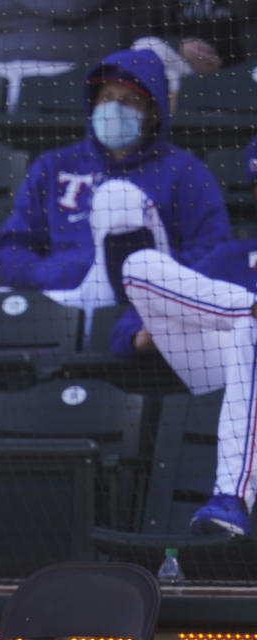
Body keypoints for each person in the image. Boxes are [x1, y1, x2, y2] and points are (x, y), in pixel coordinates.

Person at [0, 48, 233, 349]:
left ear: (153, 111)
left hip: (141, 308)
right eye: (107, 97)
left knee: (118, 198)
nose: (115, 107)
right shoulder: (54, 165)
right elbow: (11, 249)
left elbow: (212, 252)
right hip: (61, 297)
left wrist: (150, 281)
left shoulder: (186, 172)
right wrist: (53, 274)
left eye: (130, 100)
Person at [117, 136, 257, 536]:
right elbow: (122, 330)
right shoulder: (232, 255)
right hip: (223, 372)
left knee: (251, 328)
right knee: (140, 264)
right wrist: (149, 334)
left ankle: (231, 496)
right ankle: (249, 307)